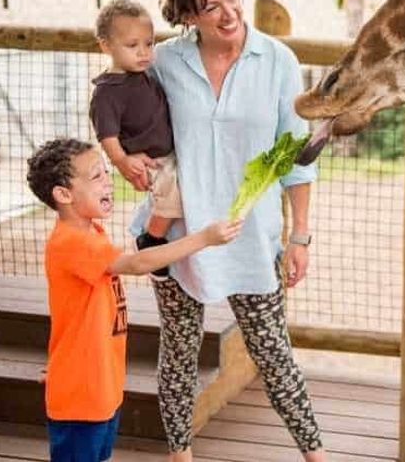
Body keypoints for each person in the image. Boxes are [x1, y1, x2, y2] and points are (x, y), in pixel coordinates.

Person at [128, 0, 325, 461]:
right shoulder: (166, 61)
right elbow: (132, 117)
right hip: (178, 236)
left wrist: (299, 235)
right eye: (209, 6)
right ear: (187, 16)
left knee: (272, 352)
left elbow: (296, 157)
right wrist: (130, 161)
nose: (228, 13)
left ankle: (315, 455)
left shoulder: (277, 60)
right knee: (178, 353)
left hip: (250, 235)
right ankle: (180, 455)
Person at [25, 138, 242, 462]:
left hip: (100, 387)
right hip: (82, 394)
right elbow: (138, 264)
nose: (108, 179)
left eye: (105, 172)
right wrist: (202, 238)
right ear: (63, 194)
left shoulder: (91, 234)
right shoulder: (71, 242)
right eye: (96, 175)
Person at [90, 0, 179, 277]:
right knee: (175, 193)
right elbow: (107, 133)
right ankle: (150, 240)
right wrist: (121, 161)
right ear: (106, 46)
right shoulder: (107, 92)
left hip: (168, 152)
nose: (143, 52)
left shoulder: (143, 74)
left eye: (149, 44)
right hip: (150, 160)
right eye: (132, 46)